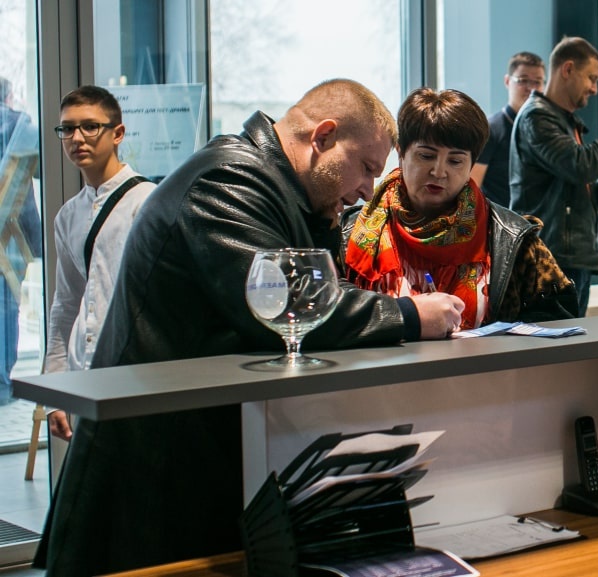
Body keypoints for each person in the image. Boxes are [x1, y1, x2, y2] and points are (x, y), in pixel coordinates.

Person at [35, 79, 464, 576]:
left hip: (187, 456)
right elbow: (287, 306)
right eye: (367, 167)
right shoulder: (227, 180)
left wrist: (324, 217)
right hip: (147, 469)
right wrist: (410, 315)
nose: (369, 189)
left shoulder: (275, 187)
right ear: (323, 136)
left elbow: (313, 286)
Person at [344, 87, 578, 326]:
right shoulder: (349, 231)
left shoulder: (511, 237)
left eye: (455, 161)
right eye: (426, 156)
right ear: (401, 153)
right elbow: (331, 317)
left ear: (471, 166)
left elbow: (558, 322)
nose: (439, 171)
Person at [41, 85, 157, 442]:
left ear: (117, 133)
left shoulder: (148, 202)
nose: (77, 138)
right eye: (67, 129)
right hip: (82, 373)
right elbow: (66, 304)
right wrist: (54, 391)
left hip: (135, 376)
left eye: (90, 126)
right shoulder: (68, 215)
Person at [510, 36, 598, 317]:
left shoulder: (562, 120)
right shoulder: (537, 118)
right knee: (554, 345)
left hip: (567, 261)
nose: (594, 89)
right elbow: (580, 165)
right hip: (548, 263)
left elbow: (575, 198)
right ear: (568, 69)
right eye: (591, 78)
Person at [0, 75, 42, 406]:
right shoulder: (19, 125)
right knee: (6, 305)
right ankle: (3, 382)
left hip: (9, 232)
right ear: (9, 95)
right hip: (10, 233)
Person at [472, 51, 545, 208]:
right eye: (523, 80)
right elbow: (472, 189)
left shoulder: (545, 129)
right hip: (500, 220)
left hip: (537, 220)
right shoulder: (491, 130)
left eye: (537, 82)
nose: (531, 89)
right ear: (507, 81)